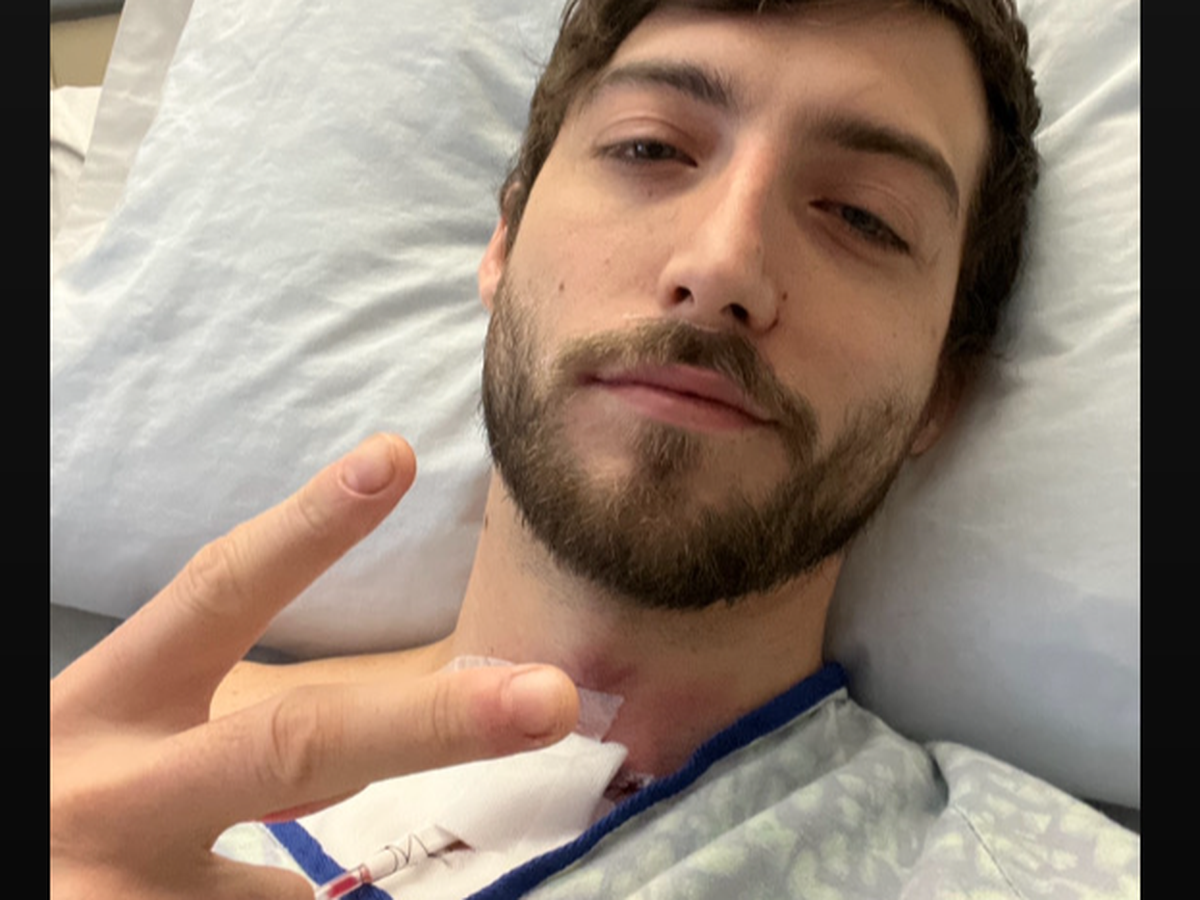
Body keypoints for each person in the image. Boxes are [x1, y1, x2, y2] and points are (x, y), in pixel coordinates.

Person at [50, 0, 1139, 897]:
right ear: (505, 241)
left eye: (863, 217)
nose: (721, 266)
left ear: (941, 393)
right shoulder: (84, 761)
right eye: (651, 148)